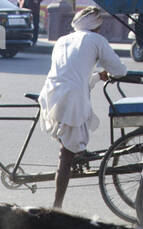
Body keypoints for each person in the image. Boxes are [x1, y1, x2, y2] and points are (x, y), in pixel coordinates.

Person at [38, 4, 126, 209]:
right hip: (71, 99)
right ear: (95, 27)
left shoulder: (62, 40)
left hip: (51, 95)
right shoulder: (96, 40)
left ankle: (78, 152)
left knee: (71, 143)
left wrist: (96, 76)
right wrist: (108, 73)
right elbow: (119, 70)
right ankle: (57, 206)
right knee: (66, 155)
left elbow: (73, 73)